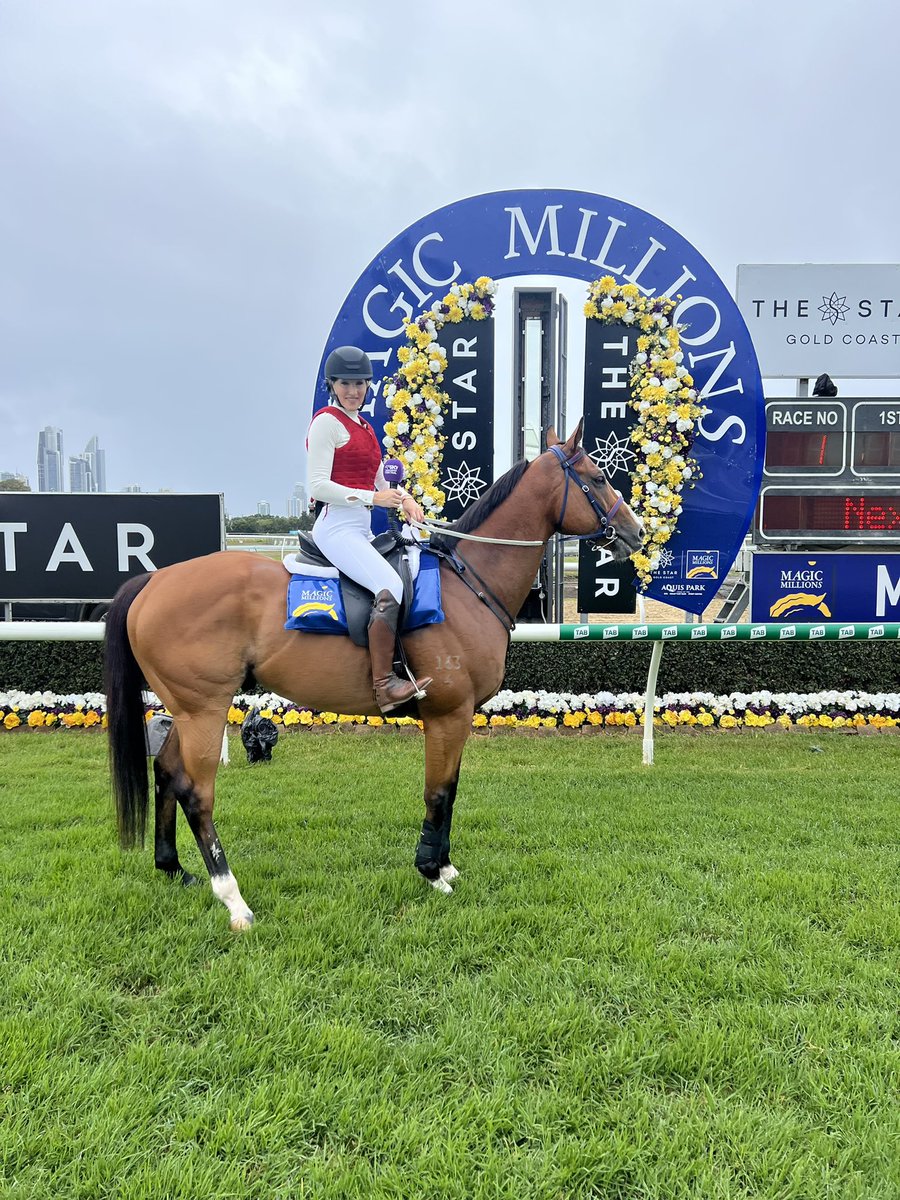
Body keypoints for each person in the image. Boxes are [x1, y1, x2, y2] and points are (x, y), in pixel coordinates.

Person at [306, 345, 433, 713]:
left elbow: (379, 479)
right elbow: (317, 486)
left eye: (360, 383)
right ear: (333, 385)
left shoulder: (365, 427)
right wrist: (371, 498)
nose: (353, 390)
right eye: (345, 383)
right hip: (336, 527)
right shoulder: (326, 422)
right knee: (390, 586)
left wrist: (406, 500)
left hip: (359, 529)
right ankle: (385, 687)